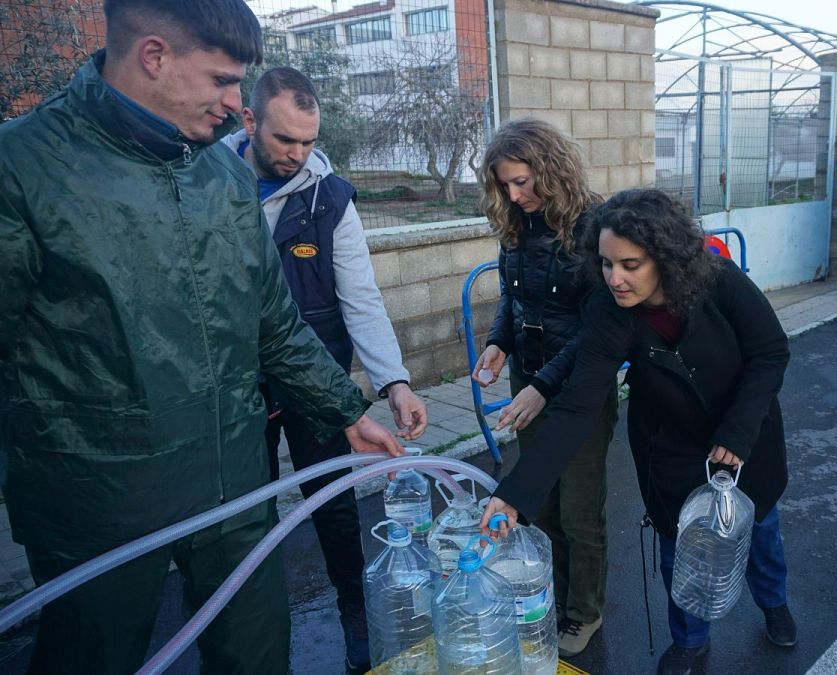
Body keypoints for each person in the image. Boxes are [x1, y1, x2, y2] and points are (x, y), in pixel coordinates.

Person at [0, 2, 404, 673]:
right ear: (154, 56)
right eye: (220, 80)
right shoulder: (23, 168)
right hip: (101, 503)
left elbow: (273, 323)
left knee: (255, 652)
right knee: (95, 656)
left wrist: (349, 410)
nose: (233, 104)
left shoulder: (222, 178)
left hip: (234, 485)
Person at [480, 188, 796, 675]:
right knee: (679, 555)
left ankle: (774, 603)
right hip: (669, 445)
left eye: (629, 264)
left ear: (665, 257)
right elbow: (577, 408)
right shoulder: (609, 312)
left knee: (759, 534)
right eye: (606, 264)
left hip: (744, 435)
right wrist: (515, 494)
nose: (615, 279)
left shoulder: (719, 280)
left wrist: (737, 433)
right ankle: (690, 642)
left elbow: (770, 351)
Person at [222, 66, 428, 672]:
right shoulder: (212, 181)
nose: (299, 154)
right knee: (246, 511)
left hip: (317, 376)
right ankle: (251, 632)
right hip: (236, 384)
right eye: (286, 140)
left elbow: (360, 295)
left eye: (310, 141)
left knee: (333, 500)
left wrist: (394, 382)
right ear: (250, 121)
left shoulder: (329, 196)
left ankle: (357, 622)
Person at [470, 117, 619, 657]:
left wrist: (542, 388)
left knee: (581, 512)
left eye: (524, 181)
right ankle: (556, 598)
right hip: (527, 379)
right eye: (506, 184)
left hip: (578, 390)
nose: (516, 194)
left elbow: (598, 327)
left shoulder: (594, 225)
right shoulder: (516, 222)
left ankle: (586, 612)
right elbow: (514, 296)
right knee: (540, 503)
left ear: (552, 169)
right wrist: (497, 343)